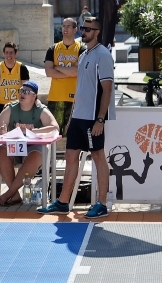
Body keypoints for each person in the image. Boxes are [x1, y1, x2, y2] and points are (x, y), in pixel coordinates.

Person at [39, 17, 115, 218]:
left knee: (98, 157)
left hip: (92, 117)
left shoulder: (103, 54)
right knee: (71, 156)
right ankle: (63, 202)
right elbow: (80, 88)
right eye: (83, 28)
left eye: (88, 29)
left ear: (97, 32)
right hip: (78, 115)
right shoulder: (83, 55)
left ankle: (102, 203)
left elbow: (107, 89)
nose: (84, 31)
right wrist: (73, 115)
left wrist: (100, 119)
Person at [0, 81, 60, 207]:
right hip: (14, 146)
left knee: (36, 156)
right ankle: (14, 195)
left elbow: (55, 127)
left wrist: (35, 131)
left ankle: (8, 194)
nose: (22, 94)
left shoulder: (40, 110)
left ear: (34, 96)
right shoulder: (11, 107)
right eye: (21, 91)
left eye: (26, 92)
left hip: (33, 148)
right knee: (1, 151)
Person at [44, 17, 84, 132]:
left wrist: (57, 67)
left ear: (75, 29)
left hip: (74, 98)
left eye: (68, 26)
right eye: (63, 26)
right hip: (55, 96)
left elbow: (78, 71)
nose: (65, 29)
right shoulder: (52, 49)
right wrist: (70, 72)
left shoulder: (81, 49)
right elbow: (48, 72)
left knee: (71, 134)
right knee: (53, 133)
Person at [0, 41, 30, 124]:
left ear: (16, 54)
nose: (9, 55)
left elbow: (26, 90)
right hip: (1, 103)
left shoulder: (22, 68)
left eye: (11, 53)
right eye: (6, 52)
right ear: (3, 54)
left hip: (18, 104)